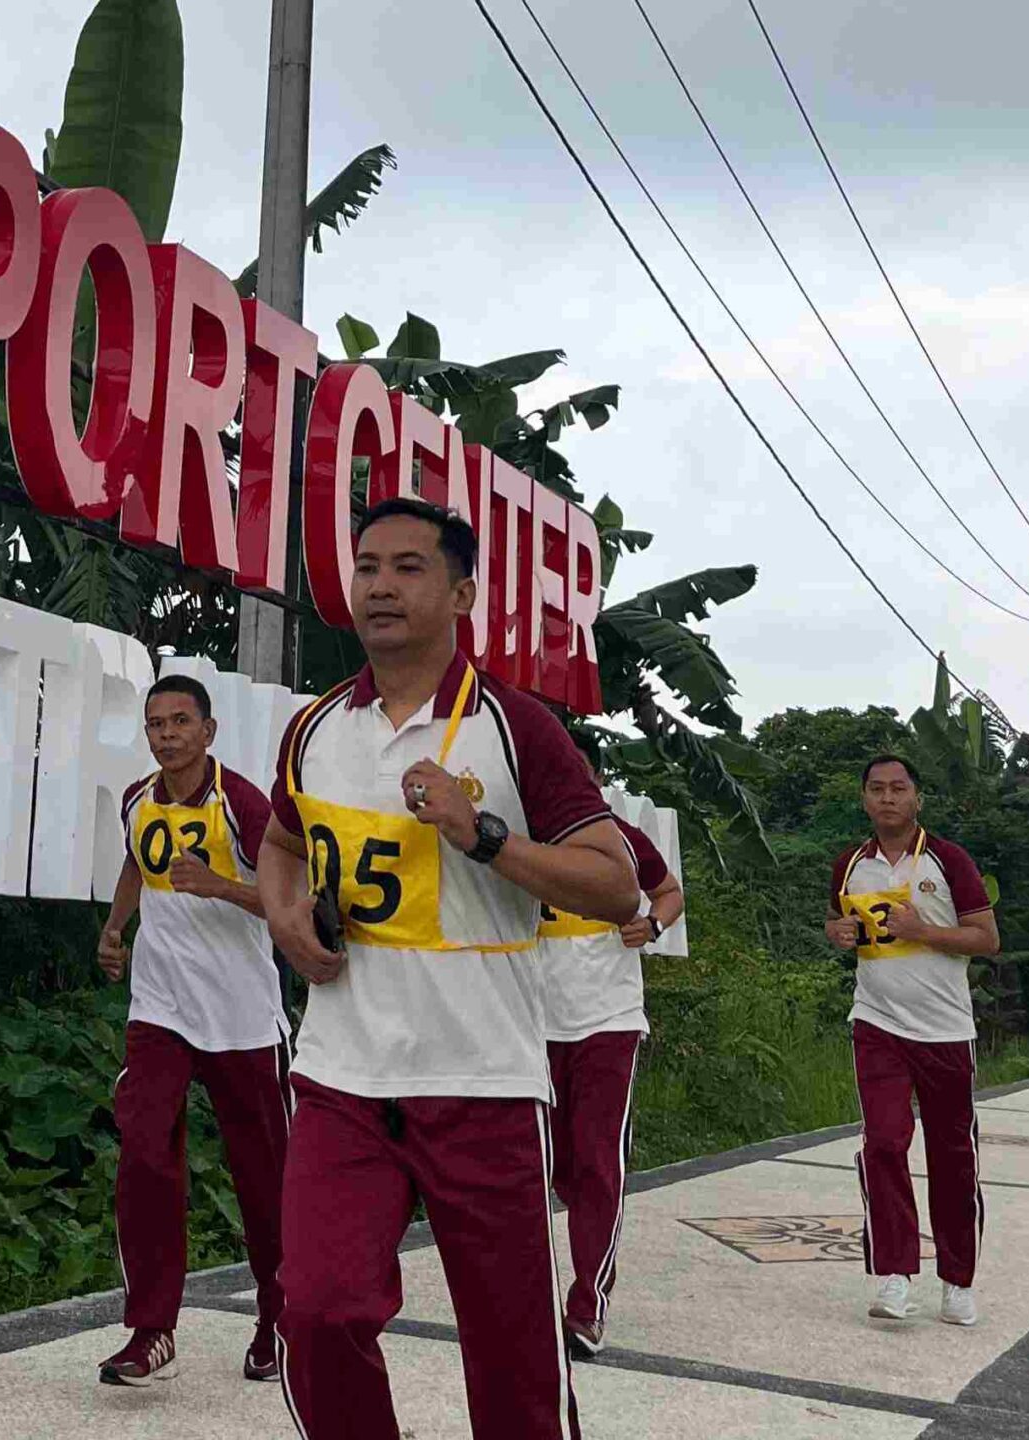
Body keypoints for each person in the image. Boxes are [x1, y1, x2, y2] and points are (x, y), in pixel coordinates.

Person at [259, 496, 641, 1440]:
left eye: (409, 567)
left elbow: (614, 885)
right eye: (368, 566)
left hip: (484, 1081)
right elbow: (278, 842)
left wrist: (485, 836)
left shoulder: (516, 728)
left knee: (512, 1361)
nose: (381, 585)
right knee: (316, 1309)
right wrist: (285, 922)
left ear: (463, 591)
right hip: (343, 1078)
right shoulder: (315, 731)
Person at [93, 675, 290, 1387]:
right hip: (161, 1010)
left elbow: (289, 899)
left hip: (241, 1019)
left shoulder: (241, 803)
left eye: (180, 722)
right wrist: (116, 927)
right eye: (155, 723)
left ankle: (279, 1316)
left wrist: (223, 887)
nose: (167, 734)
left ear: (208, 732)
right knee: (144, 1152)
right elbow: (135, 865)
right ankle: (150, 1332)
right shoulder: (136, 800)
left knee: (264, 1179)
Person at [825, 756, 999, 1329]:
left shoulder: (949, 860)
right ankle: (895, 1273)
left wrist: (923, 931)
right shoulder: (850, 864)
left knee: (952, 1155)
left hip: (945, 1029)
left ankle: (958, 1280)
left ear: (917, 798)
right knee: (883, 1142)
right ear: (864, 799)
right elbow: (837, 925)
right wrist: (839, 934)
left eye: (899, 788)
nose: (887, 799)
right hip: (876, 1021)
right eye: (876, 789)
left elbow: (986, 938)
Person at [537, 814, 683, 1357]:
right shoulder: (511, 832)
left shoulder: (619, 835)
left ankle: (587, 1305)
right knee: (547, 1169)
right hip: (529, 1023)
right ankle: (533, 1294)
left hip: (608, 1021)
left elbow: (668, 891)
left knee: (599, 1164)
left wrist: (654, 926)